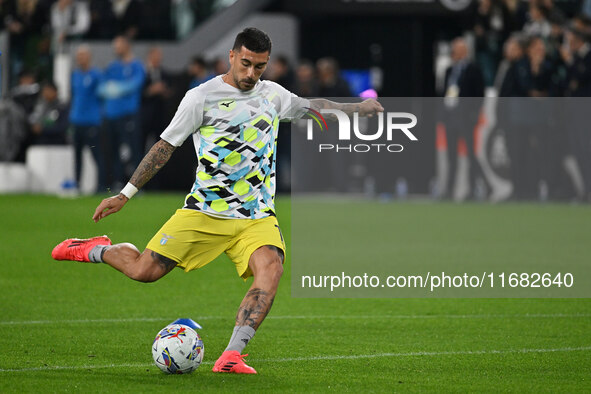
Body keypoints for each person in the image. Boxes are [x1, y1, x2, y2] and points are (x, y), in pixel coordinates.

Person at [52, 27, 383, 374]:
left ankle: (231, 355)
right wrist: (125, 194)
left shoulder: (273, 95)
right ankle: (96, 249)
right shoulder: (201, 97)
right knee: (143, 271)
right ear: (232, 56)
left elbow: (314, 107)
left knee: (271, 269)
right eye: (246, 64)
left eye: (260, 67)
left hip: (256, 215)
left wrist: (358, 108)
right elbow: (165, 147)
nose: (251, 74)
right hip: (205, 211)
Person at [98, 35, 145, 189]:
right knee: (113, 151)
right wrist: (119, 88)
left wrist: (116, 88)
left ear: (126, 46)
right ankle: (117, 182)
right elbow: (101, 89)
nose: (115, 49)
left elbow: (135, 85)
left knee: (134, 150)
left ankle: (136, 185)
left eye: (118, 46)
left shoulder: (137, 66)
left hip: (128, 115)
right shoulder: (112, 66)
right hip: (111, 115)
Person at [70, 45, 106, 193]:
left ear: (89, 57)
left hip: (91, 121)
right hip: (77, 120)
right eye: (78, 55)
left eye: (83, 55)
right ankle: (77, 185)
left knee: (96, 156)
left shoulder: (96, 75)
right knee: (77, 156)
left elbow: (103, 96)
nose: (80, 58)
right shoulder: (74, 75)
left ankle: (101, 186)